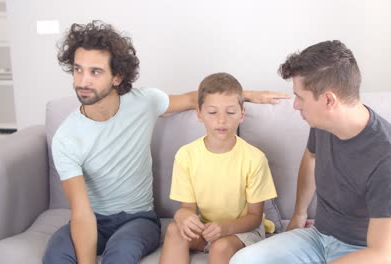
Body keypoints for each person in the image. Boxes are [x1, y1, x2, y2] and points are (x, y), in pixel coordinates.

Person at [42, 21, 289, 264]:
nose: (83, 81)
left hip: (136, 219)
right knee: (55, 256)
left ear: (116, 76)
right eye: (78, 69)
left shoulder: (143, 102)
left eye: (95, 71)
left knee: (120, 255)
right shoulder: (66, 137)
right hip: (92, 217)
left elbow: (198, 99)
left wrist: (248, 95)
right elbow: (82, 213)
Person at [230, 40, 391, 264]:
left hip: (371, 253)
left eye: (300, 97)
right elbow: (311, 157)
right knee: (243, 261)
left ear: (329, 100)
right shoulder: (322, 124)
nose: (295, 105)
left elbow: (381, 254)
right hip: (320, 238)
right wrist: (299, 214)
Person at [159, 72, 278, 264]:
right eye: (212, 112)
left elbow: (255, 218)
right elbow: (187, 209)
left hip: (243, 230)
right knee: (174, 230)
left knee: (220, 247)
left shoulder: (254, 158)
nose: (221, 120)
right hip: (208, 227)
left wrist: (224, 229)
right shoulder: (186, 155)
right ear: (199, 114)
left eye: (230, 112)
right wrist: (183, 216)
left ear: (242, 114)